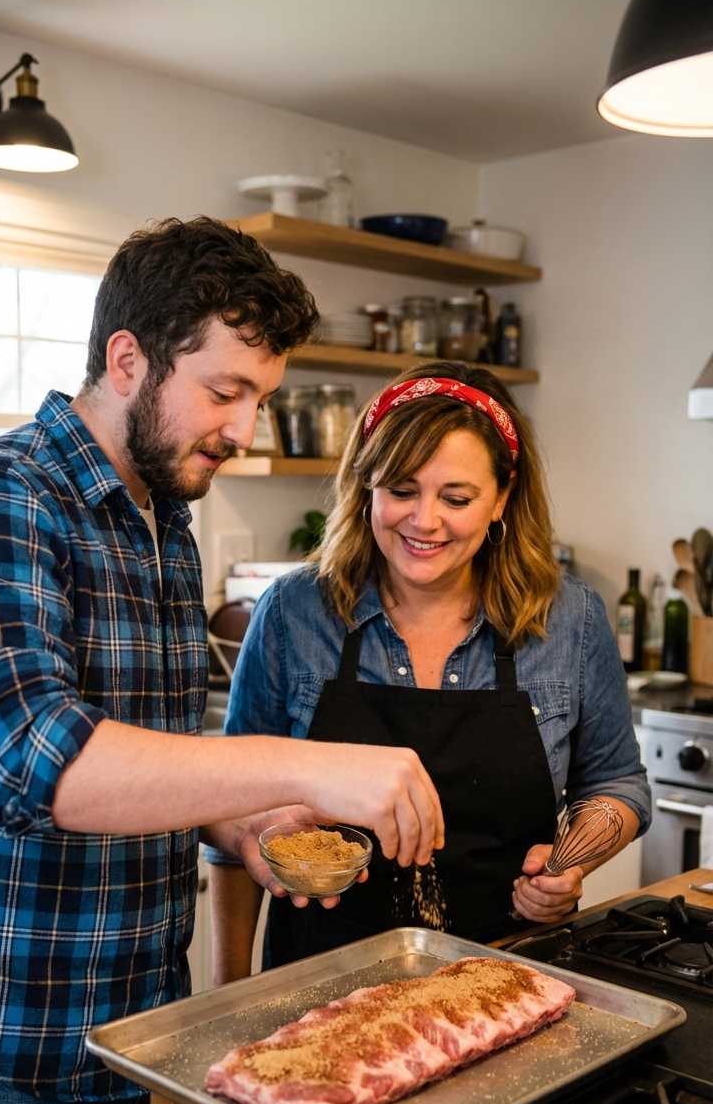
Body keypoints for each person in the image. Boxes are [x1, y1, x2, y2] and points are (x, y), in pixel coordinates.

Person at [0, 218, 444, 1104]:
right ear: (127, 358)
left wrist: (249, 827)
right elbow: (39, 764)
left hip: (142, 1031)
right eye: (225, 391)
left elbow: (162, 767)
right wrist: (314, 764)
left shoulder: (164, 530)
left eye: (259, 396)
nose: (244, 426)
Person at [206, 360, 651, 980]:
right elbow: (234, 810)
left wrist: (568, 865)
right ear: (367, 489)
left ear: (502, 496)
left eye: (457, 497)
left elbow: (618, 784)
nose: (425, 520)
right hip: (317, 985)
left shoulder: (569, 619)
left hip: (509, 976)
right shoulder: (293, 613)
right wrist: (228, 997)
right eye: (401, 490)